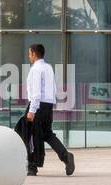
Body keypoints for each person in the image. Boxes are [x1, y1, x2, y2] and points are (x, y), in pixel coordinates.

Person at [25, 44, 74, 177]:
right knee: (47, 134)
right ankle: (65, 156)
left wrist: (32, 110)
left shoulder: (36, 69)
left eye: (29, 54)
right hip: (48, 105)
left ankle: (32, 166)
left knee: (32, 135)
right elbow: (52, 89)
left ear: (34, 54)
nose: (29, 56)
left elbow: (36, 92)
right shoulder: (48, 67)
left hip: (38, 105)